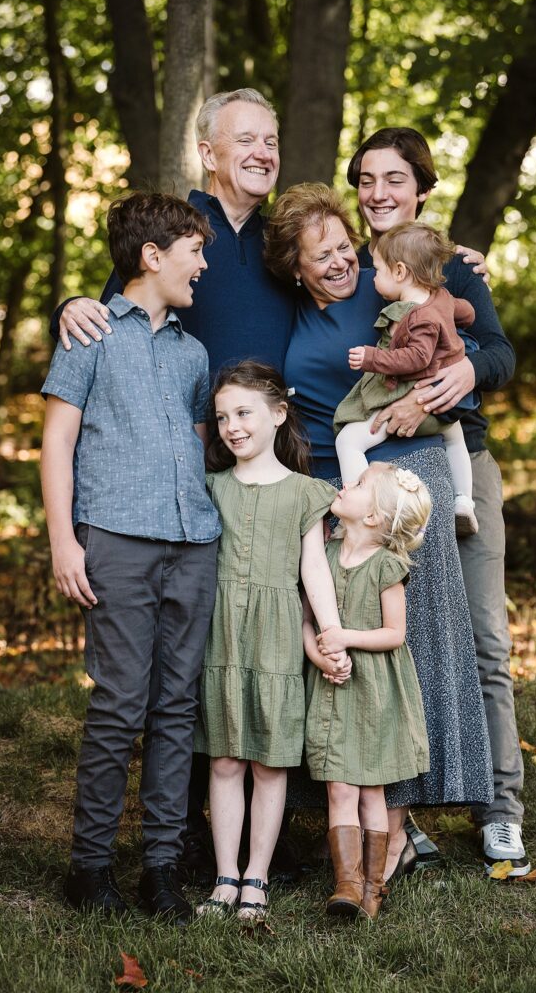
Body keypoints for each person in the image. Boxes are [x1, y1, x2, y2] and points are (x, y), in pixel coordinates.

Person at [48, 90, 491, 878]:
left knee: (275, 648)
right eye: (243, 139)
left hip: (280, 468)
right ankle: (182, 833)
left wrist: (454, 272)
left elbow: (372, 281)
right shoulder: (181, 228)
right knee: (205, 652)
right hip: (190, 474)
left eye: (271, 138)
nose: (261, 150)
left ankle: (282, 824)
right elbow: (118, 301)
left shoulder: (288, 240)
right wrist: (71, 302)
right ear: (208, 151)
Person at [264, 182, 494, 881]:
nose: (337, 263)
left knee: (417, 644)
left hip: (405, 474)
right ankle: (349, 812)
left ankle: (396, 825)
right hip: (334, 492)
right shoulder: (286, 313)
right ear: (294, 268)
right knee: (344, 656)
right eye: (319, 255)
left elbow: (467, 348)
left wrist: (468, 278)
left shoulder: (389, 283)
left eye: (342, 247)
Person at [348, 127, 529, 875]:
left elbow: (498, 352)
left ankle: (501, 810)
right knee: (402, 641)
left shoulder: (454, 268)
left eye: (393, 179)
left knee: (484, 638)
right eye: (365, 180)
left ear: (421, 188)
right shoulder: (345, 269)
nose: (378, 192)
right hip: (379, 476)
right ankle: (404, 815)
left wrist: (466, 376)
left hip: (460, 462)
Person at [40, 193, 221, 922]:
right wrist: (63, 540)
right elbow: (57, 442)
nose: (203, 266)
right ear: (152, 256)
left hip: (193, 544)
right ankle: (88, 869)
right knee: (119, 705)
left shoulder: (193, 351)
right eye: (193, 252)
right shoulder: (89, 335)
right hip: (115, 537)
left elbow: (200, 442)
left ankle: (161, 868)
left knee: (177, 708)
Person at [194, 361, 350, 923]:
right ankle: (224, 877)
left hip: (279, 638)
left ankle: (257, 874)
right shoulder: (210, 488)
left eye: (244, 413)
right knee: (225, 761)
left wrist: (331, 636)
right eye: (222, 417)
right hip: (222, 638)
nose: (232, 426)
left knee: (269, 765)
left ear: (278, 414)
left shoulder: (308, 493)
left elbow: (314, 571)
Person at [305, 462, 431, 920]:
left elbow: (394, 634)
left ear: (374, 517)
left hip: (374, 690)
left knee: (370, 791)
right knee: (339, 787)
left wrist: (346, 638)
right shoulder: (323, 553)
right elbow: (306, 618)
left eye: (357, 485)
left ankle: (375, 887)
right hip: (334, 685)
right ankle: (347, 884)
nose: (345, 484)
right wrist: (320, 654)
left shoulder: (386, 567)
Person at [334, 221, 479, 536]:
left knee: (349, 440)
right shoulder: (439, 298)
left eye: (380, 272)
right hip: (447, 403)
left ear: (399, 272)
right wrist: (463, 317)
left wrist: (372, 358)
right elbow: (465, 311)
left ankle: (362, 512)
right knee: (456, 440)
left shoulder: (416, 317)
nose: (374, 279)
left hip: (413, 398)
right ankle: (464, 502)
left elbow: (417, 358)